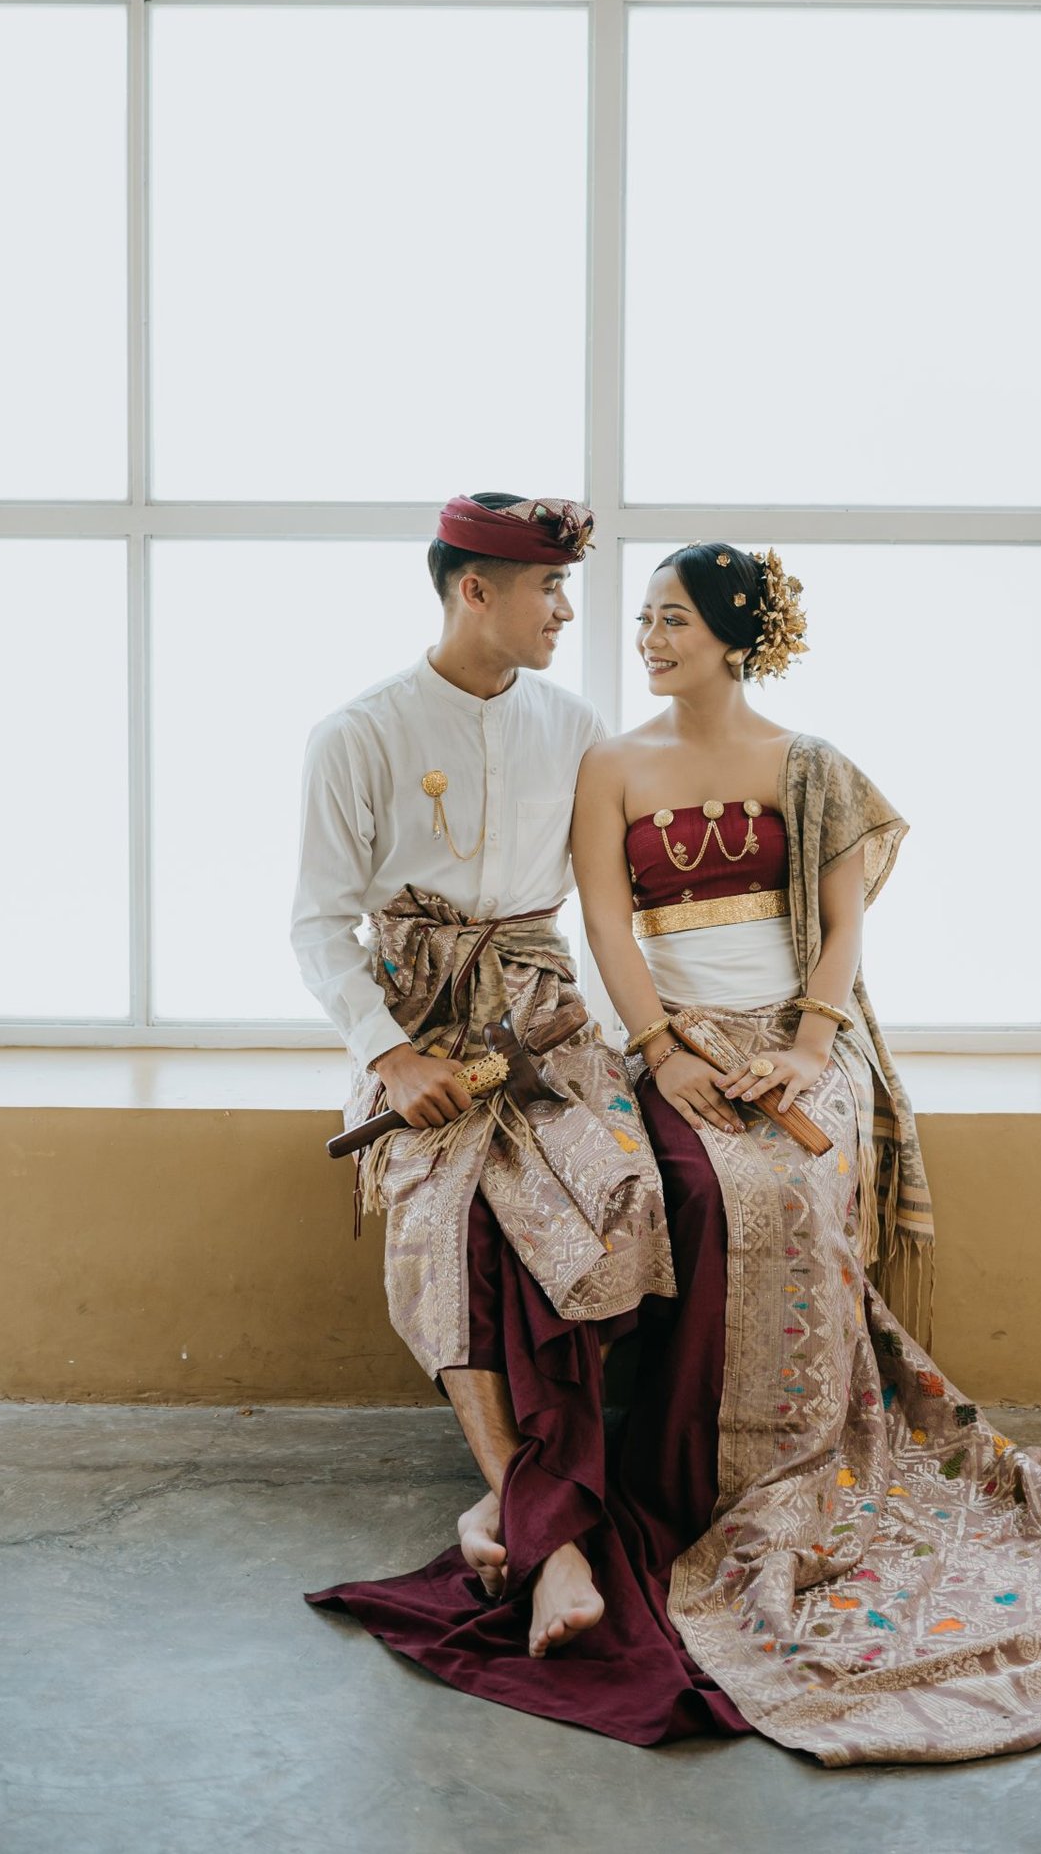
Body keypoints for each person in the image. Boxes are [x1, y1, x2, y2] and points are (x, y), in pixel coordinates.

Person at [568, 541, 1041, 1763]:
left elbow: (842, 927)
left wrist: (805, 1050)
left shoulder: (812, 764)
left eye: (672, 619)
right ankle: (685, 1472)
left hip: (802, 1040)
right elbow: (606, 923)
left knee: (793, 1178)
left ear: (734, 635)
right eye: (644, 619)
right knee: (702, 1185)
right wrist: (663, 1052)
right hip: (671, 1039)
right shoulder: (610, 764)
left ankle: (798, 1466)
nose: (648, 638)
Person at [289, 492, 679, 1709]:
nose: (565, 611)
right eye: (547, 588)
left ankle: (511, 1504)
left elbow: (617, 904)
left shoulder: (578, 728)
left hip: (547, 1023)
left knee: (614, 1196)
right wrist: (388, 1056)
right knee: (449, 1214)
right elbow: (316, 924)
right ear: (475, 589)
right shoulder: (357, 732)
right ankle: (548, 1532)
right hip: (419, 1036)